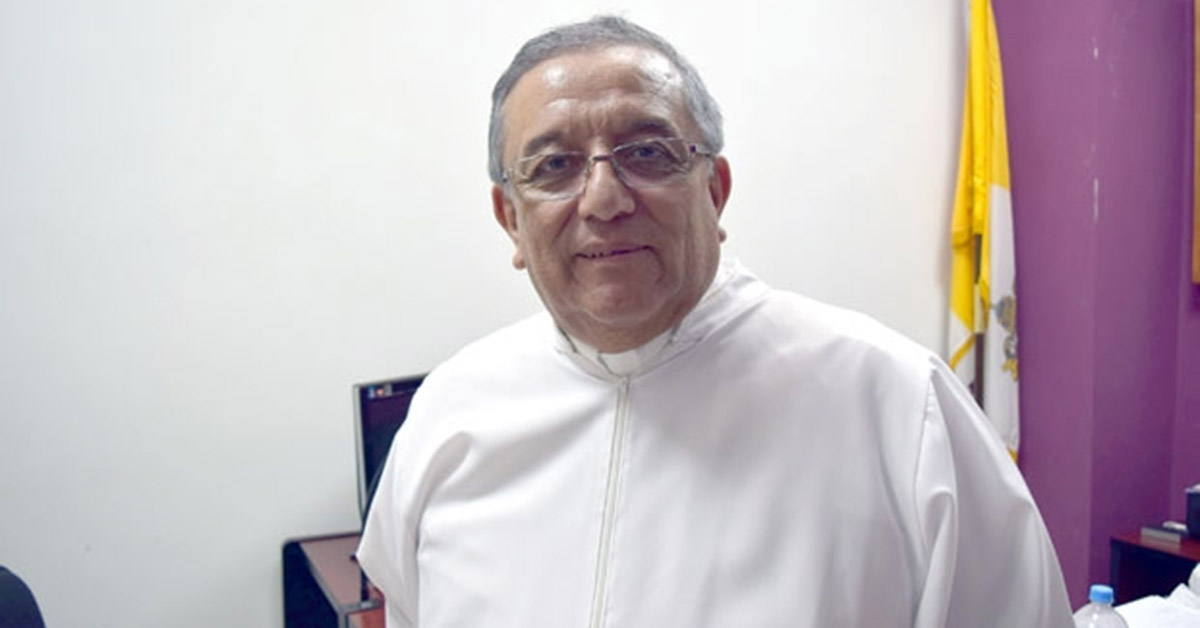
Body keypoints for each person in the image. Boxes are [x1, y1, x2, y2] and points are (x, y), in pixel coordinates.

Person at [357, 15, 1074, 628]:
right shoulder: (449, 416)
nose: (603, 199)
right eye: (553, 167)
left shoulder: (898, 406)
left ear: (715, 189)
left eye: (647, 154)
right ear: (511, 219)